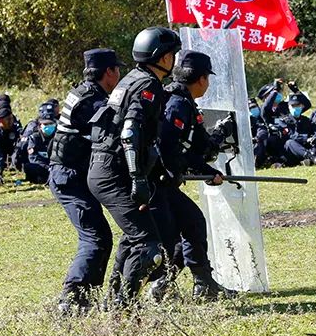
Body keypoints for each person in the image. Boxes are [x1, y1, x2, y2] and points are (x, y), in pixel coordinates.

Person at [87, 26, 181, 305]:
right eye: (172, 54)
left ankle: (113, 303)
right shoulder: (148, 85)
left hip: (106, 168)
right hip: (114, 172)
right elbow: (130, 132)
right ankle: (123, 308)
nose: (174, 59)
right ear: (163, 58)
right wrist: (137, 177)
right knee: (149, 246)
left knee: (133, 238)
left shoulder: (132, 79)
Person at [150, 50, 235, 301]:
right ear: (201, 79)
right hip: (158, 181)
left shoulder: (181, 101)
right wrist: (194, 171)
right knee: (182, 229)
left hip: (163, 180)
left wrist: (208, 171)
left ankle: (190, 284)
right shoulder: (177, 104)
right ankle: (177, 284)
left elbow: (195, 150)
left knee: (189, 226)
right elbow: (168, 148)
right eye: (207, 78)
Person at [49, 48, 124, 313]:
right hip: (69, 177)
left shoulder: (89, 93)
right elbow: (112, 127)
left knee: (101, 237)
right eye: (118, 70)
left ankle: (86, 298)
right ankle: (71, 298)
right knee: (95, 237)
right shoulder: (90, 101)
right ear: (109, 73)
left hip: (77, 174)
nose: (120, 75)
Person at [23, 114, 57, 184]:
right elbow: (33, 158)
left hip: (55, 166)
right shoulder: (34, 138)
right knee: (29, 167)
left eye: (51, 124)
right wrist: (47, 168)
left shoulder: (58, 137)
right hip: (42, 167)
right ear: (40, 126)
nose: (48, 126)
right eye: (45, 124)